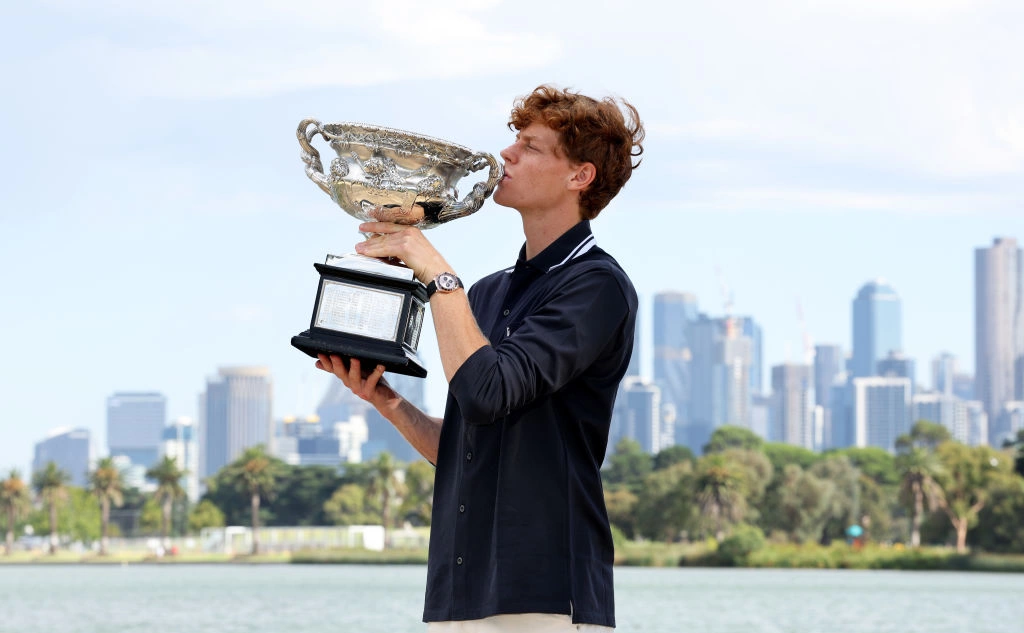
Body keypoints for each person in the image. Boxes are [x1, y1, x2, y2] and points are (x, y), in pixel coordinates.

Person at [317, 84, 644, 632]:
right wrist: (388, 402)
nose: (507, 155)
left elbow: (488, 392)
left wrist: (436, 272)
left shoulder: (597, 287)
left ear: (579, 176)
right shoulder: (487, 295)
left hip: (545, 593)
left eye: (532, 147)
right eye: (514, 140)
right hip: (457, 591)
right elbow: (467, 445)